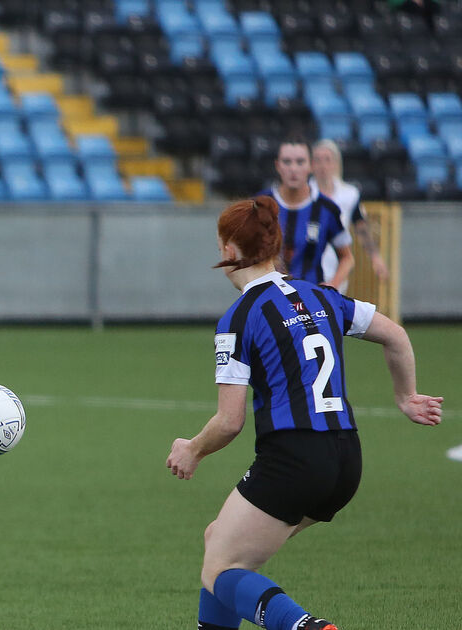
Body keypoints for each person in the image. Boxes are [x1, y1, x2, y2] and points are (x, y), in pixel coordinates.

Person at [165, 196, 442, 630]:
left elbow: (229, 421)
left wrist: (192, 450)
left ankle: (303, 626)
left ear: (229, 251)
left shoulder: (239, 318)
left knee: (219, 569)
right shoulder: (322, 295)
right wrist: (406, 397)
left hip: (293, 460)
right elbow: (396, 334)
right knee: (221, 544)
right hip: (346, 459)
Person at [260, 137, 355, 288]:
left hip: (311, 300)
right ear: (277, 165)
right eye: (287, 161)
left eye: (300, 162)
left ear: (311, 166)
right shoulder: (260, 205)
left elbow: (347, 258)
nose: (293, 169)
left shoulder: (327, 209)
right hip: (269, 298)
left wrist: (333, 284)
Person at [310, 139, 389, 293]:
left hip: (337, 266)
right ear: (311, 164)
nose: (323, 165)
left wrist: (375, 258)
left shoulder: (349, 194)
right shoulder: (305, 193)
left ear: (336, 163)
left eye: (327, 160)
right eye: (317, 160)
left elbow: (360, 227)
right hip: (309, 266)